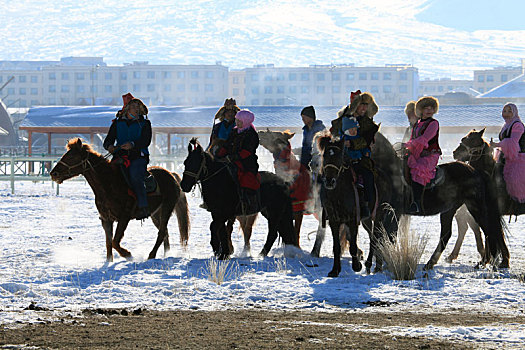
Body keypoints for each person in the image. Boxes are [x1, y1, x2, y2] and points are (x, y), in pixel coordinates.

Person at [330, 90, 379, 219]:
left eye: (366, 105)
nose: (364, 108)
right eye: (361, 104)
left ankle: (365, 204)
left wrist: (351, 144)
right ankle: (324, 205)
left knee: (367, 175)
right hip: (341, 155)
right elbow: (333, 134)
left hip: (360, 157)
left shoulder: (369, 125)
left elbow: (366, 141)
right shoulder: (342, 119)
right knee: (326, 172)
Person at [103, 93, 152, 220]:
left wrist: (133, 144)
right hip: (120, 156)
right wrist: (110, 147)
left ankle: (143, 206)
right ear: (127, 108)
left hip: (138, 157)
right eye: (134, 106)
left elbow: (146, 141)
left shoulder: (145, 123)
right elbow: (108, 140)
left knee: (135, 175)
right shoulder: (117, 123)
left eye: (138, 106)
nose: (136, 109)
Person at [217, 109, 261, 214]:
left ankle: (248, 201)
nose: (237, 122)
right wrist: (219, 155)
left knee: (246, 180)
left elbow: (247, 151)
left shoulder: (251, 134)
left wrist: (232, 158)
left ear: (246, 121)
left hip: (246, 163)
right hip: (231, 160)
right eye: (236, 120)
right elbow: (227, 145)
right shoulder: (234, 131)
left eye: (239, 120)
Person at [405, 96, 442, 214]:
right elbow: (412, 138)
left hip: (429, 155)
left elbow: (424, 139)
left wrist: (408, 144)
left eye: (431, 107)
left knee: (418, 171)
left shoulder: (434, 123)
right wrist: (405, 147)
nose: (429, 110)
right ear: (420, 109)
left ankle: (416, 203)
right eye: (426, 108)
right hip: (417, 153)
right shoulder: (417, 123)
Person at [490, 103, 525, 203]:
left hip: (518, 158)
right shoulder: (506, 125)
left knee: (514, 179)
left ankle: (517, 201)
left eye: (509, 111)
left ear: (514, 112)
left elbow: (513, 142)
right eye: (504, 111)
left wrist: (497, 145)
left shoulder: (517, 125)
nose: (506, 113)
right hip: (506, 156)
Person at [300, 105, 325, 170]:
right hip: (306, 158)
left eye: (304, 117)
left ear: (310, 117)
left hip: (317, 159)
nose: (302, 120)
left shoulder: (319, 128)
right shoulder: (305, 130)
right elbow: (305, 145)